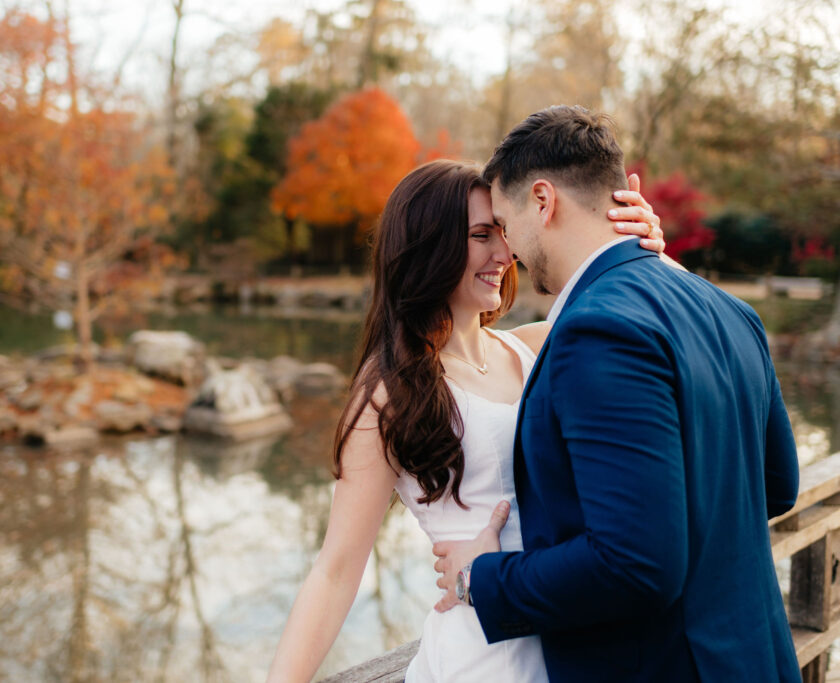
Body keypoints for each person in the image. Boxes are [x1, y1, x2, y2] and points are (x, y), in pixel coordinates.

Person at [433, 105, 801, 682]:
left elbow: (636, 564)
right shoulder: (730, 311)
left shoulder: (595, 330)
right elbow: (777, 485)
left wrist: (484, 577)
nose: (510, 253)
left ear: (543, 201)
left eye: (505, 224)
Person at [266, 157, 666, 682]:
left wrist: (648, 245)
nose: (505, 252)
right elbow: (337, 570)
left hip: (577, 638)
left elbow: (663, 316)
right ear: (429, 247)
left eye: (503, 232)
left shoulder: (538, 346)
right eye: (481, 235)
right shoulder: (391, 392)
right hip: (484, 657)